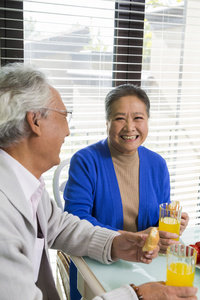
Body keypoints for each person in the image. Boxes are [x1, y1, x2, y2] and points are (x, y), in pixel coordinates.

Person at [0, 63, 196, 300]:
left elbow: (61, 226)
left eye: (138, 118)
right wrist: (137, 295)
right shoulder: (4, 215)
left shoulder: (29, 187)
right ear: (35, 122)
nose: (68, 132)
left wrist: (117, 242)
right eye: (64, 116)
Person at [64, 83, 189, 299]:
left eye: (138, 118)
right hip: (97, 263)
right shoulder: (85, 161)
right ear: (107, 123)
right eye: (120, 118)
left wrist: (169, 230)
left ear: (147, 121)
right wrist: (127, 239)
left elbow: (158, 223)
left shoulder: (157, 164)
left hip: (147, 264)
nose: (130, 127)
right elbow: (76, 221)